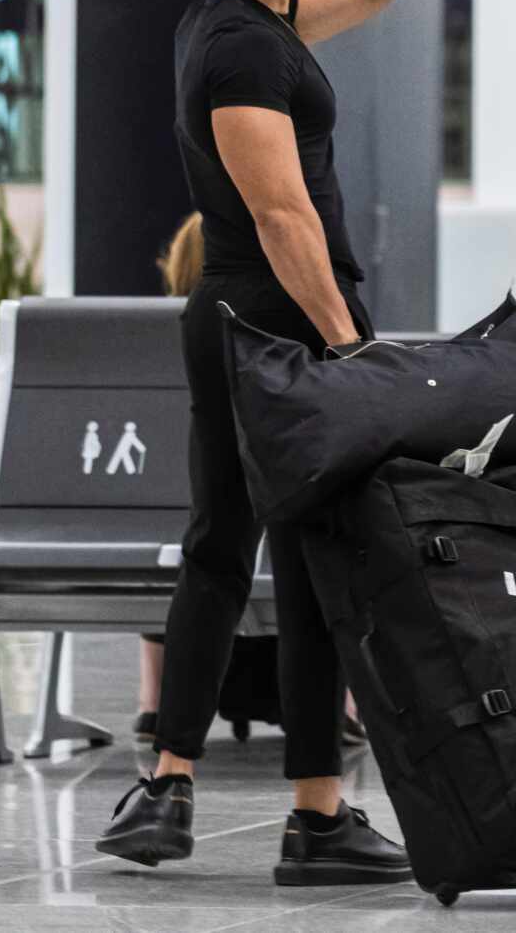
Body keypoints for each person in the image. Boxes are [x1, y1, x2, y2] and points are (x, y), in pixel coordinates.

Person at [97, 0, 441, 885]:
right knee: (295, 564)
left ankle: (180, 789)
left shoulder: (252, 21)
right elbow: (282, 213)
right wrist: (348, 348)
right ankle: (306, 814)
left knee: (231, 550)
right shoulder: (241, 47)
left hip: (243, 322)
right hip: (277, 325)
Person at [135, 212, 367, 749]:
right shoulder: (277, 298)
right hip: (299, 344)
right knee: (315, 560)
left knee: (205, 554)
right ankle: (324, 769)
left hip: (194, 551)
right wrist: (348, 340)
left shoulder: (193, 333)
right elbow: (280, 215)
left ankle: (157, 716)